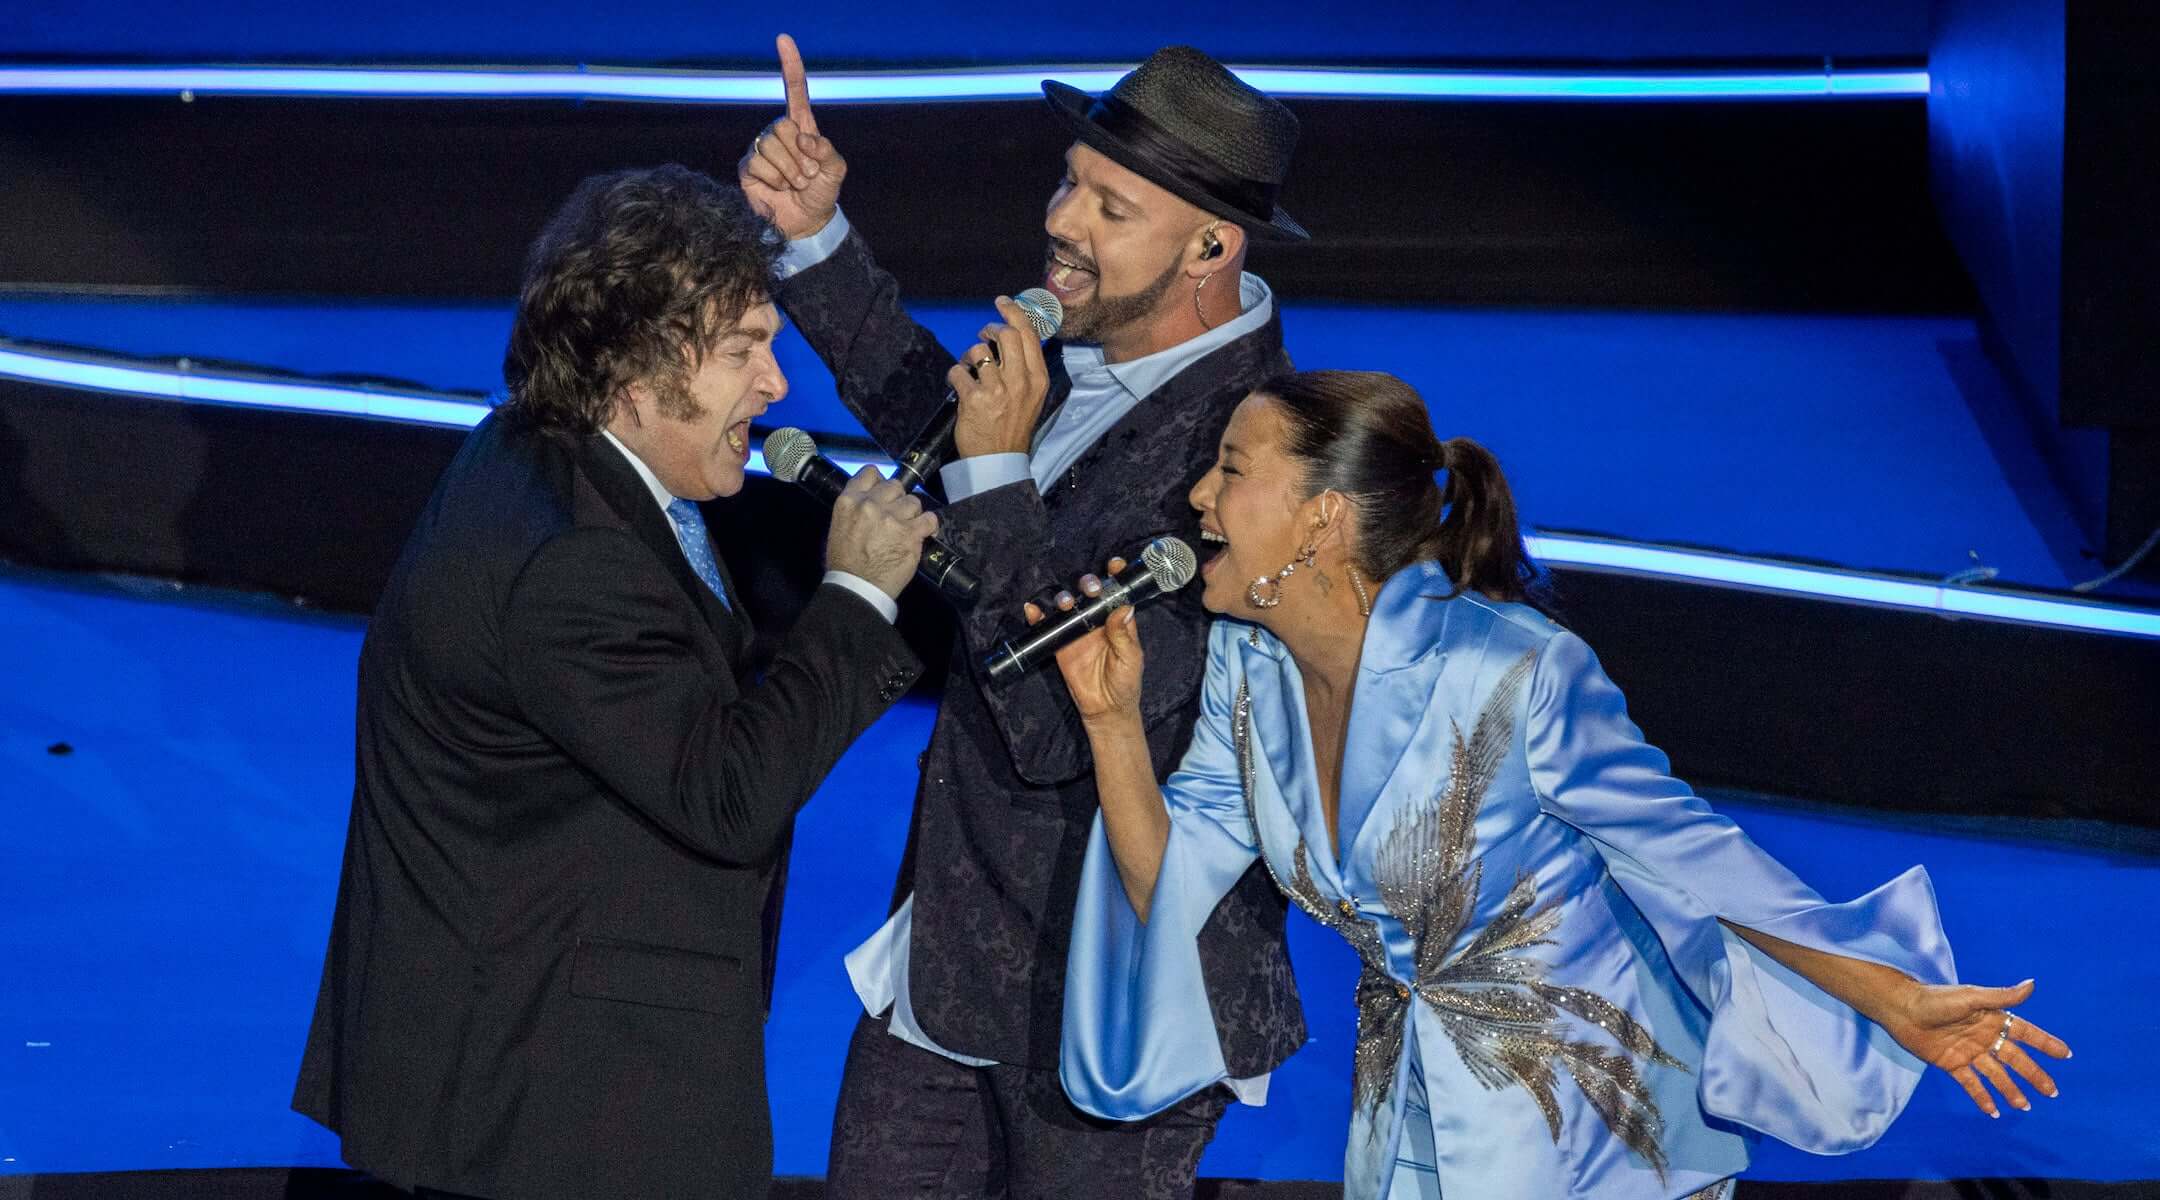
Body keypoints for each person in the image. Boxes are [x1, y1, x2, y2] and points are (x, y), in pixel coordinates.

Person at [1045, 369, 2073, 1200]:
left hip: (1591, 1140)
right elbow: (1166, 879)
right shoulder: (1250, 669)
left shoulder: (1512, 670)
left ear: (1319, 520)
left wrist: (1894, 999)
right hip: (1404, 1118)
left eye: (1230, 468)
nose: (1197, 498)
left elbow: (1696, 857)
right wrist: (1109, 724)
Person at [291, 165, 936, 1200]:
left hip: (529, 1063)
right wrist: (856, 596)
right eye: (745, 352)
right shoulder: (571, 565)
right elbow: (727, 795)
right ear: (636, 377)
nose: (776, 384)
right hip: (556, 1114)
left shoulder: (534, 451)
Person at [738, 37, 1308, 1198]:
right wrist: (815, 236)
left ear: (1212, 245)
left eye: (1111, 205)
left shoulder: (1250, 458)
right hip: (950, 960)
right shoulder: (1093, 346)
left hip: (1109, 1001)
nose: (1064, 221)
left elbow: (1057, 716)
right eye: (1067, 183)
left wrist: (995, 480)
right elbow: (948, 427)